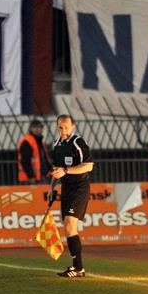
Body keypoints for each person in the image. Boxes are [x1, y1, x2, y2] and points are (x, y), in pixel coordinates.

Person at [50, 114, 94, 278]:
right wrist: (51, 188)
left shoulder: (78, 142)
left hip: (79, 187)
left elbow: (88, 166)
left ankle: (78, 267)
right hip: (66, 188)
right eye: (60, 127)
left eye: (66, 127)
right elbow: (56, 170)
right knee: (68, 226)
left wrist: (66, 171)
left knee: (69, 224)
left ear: (72, 127)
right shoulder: (57, 144)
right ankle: (77, 267)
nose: (63, 130)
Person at [17, 119, 52, 184]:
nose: (36, 129)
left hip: (41, 176)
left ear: (42, 129)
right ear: (30, 129)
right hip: (30, 179)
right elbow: (25, 161)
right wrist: (31, 176)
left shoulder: (41, 143)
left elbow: (45, 159)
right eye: (34, 127)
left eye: (39, 127)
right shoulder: (27, 141)